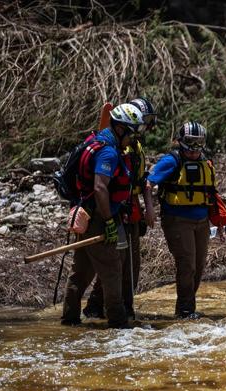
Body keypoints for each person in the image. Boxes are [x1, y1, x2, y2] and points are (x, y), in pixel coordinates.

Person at [60, 103, 145, 328]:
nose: (134, 138)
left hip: (87, 214)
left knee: (81, 272)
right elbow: (100, 188)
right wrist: (108, 221)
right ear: (120, 129)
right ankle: (119, 324)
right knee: (112, 270)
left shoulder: (97, 139)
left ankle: (69, 322)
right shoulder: (108, 152)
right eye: (133, 132)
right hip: (98, 219)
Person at [84, 97, 159, 322]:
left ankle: (105, 308)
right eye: (142, 123)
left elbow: (141, 179)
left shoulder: (132, 144)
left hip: (132, 210)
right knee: (119, 266)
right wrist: (110, 219)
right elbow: (105, 184)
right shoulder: (117, 146)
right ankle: (110, 309)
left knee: (127, 265)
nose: (145, 128)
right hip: (118, 212)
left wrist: (148, 208)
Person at [146, 121, 226, 319]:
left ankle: (186, 307)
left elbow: (210, 194)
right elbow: (148, 183)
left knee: (198, 266)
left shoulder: (205, 162)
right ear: (181, 142)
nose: (194, 148)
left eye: (199, 143)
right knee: (187, 264)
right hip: (177, 220)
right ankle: (185, 311)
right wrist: (149, 210)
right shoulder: (171, 161)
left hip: (201, 222)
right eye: (190, 142)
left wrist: (218, 222)